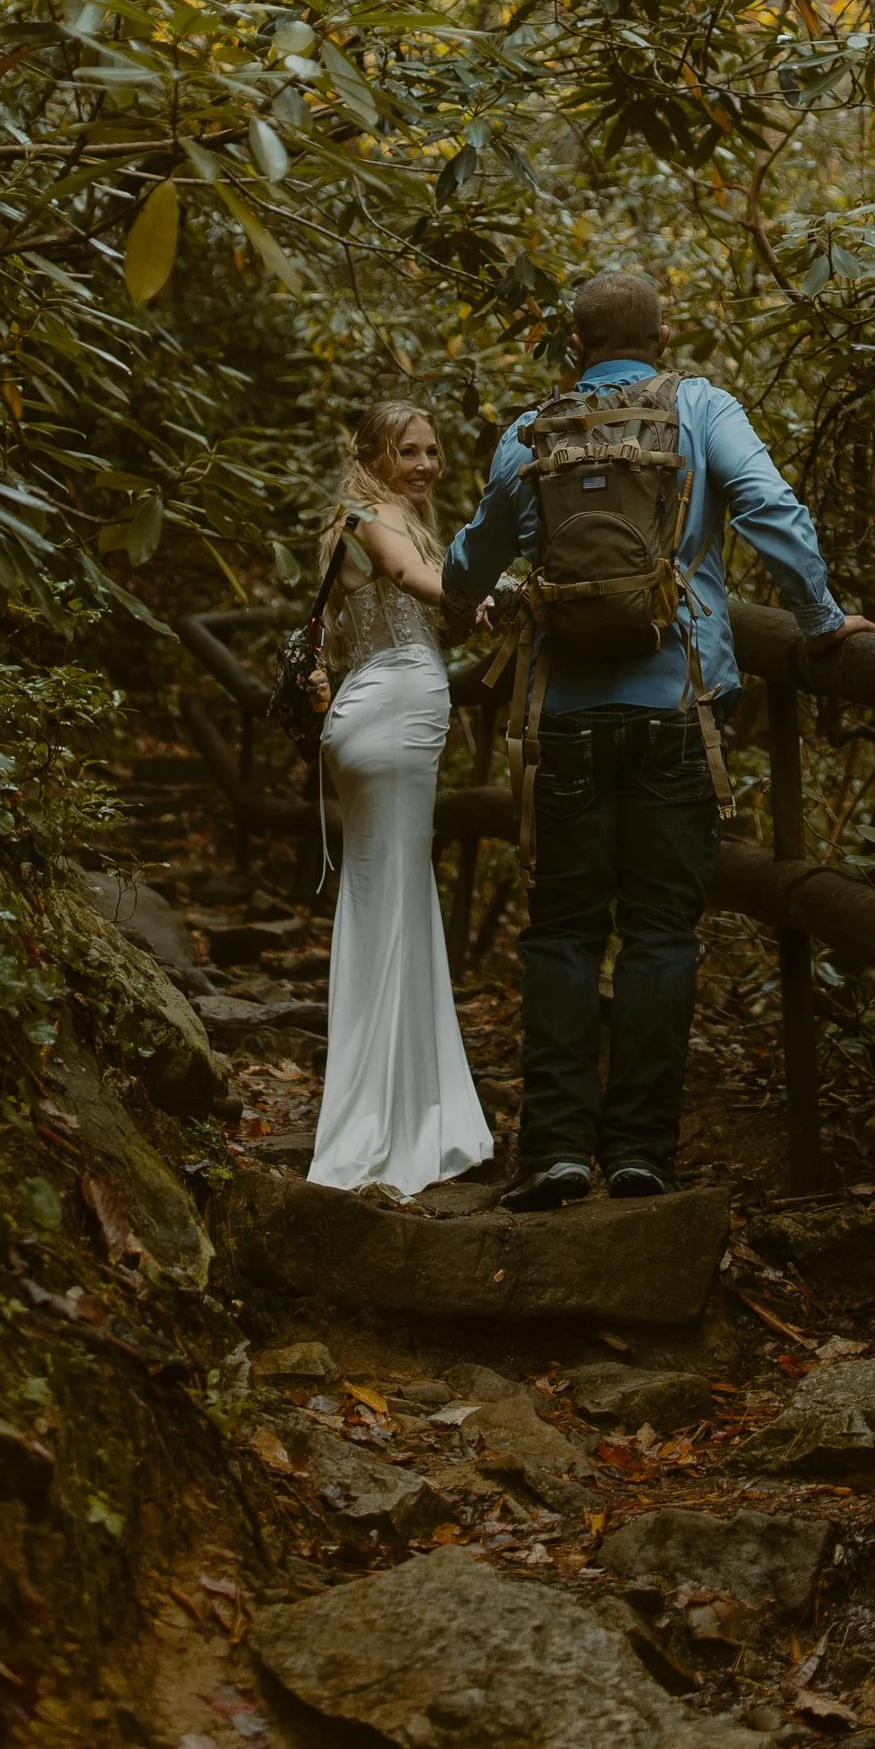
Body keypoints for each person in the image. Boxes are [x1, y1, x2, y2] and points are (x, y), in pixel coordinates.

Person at [439, 269, 875, 1211]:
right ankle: (641, 1154)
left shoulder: (532, 432)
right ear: (663, 335)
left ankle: (554, 1151)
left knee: (560, 933)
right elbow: (771, 511)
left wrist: (475, 597)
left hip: (560, 721)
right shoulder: (701, 409)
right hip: (678, 712)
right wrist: (822, 618)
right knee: (660, 935)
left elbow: (466, 566)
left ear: (574, 345)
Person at [305, 399, 496, 1203]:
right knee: (392, 909)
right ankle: (379, 1130)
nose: (424, 465)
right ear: (374, 456)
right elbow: (412, 581)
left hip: (382, 714)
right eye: (407, 451)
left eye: (432, 451)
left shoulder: (388, 517)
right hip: (390, 721)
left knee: (395, 904)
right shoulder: (368, 517)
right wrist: (479, 591)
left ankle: (410, 1107)